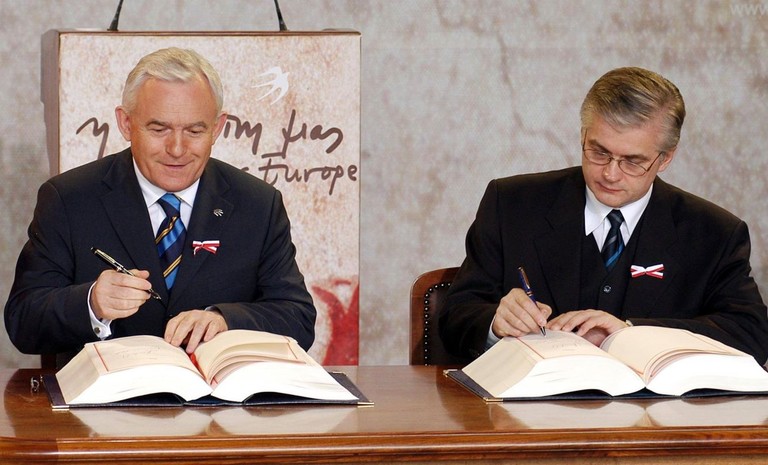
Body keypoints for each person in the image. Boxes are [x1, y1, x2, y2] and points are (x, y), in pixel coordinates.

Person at [4, 47, 316, 367]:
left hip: (217, 398)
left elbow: (298, 318)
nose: (177, 149)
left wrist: (225, 320)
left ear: (217, 128)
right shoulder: (68, 199)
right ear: (126, 123)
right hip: (106, 396)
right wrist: (91, 303)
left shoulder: (258, 204)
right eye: (159, 129)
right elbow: (22, 320)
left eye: (195, 131)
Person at [439, 66, 768, 365]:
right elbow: (456, 315)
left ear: (666, 158)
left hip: (657, 412)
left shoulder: (715, 233)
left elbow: (752, 334)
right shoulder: (511, 204)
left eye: (633, 161)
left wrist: (631, 332)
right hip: (527, 407)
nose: (610, 174)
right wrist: (496, 322)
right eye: (599, 152)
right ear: (583, 136)